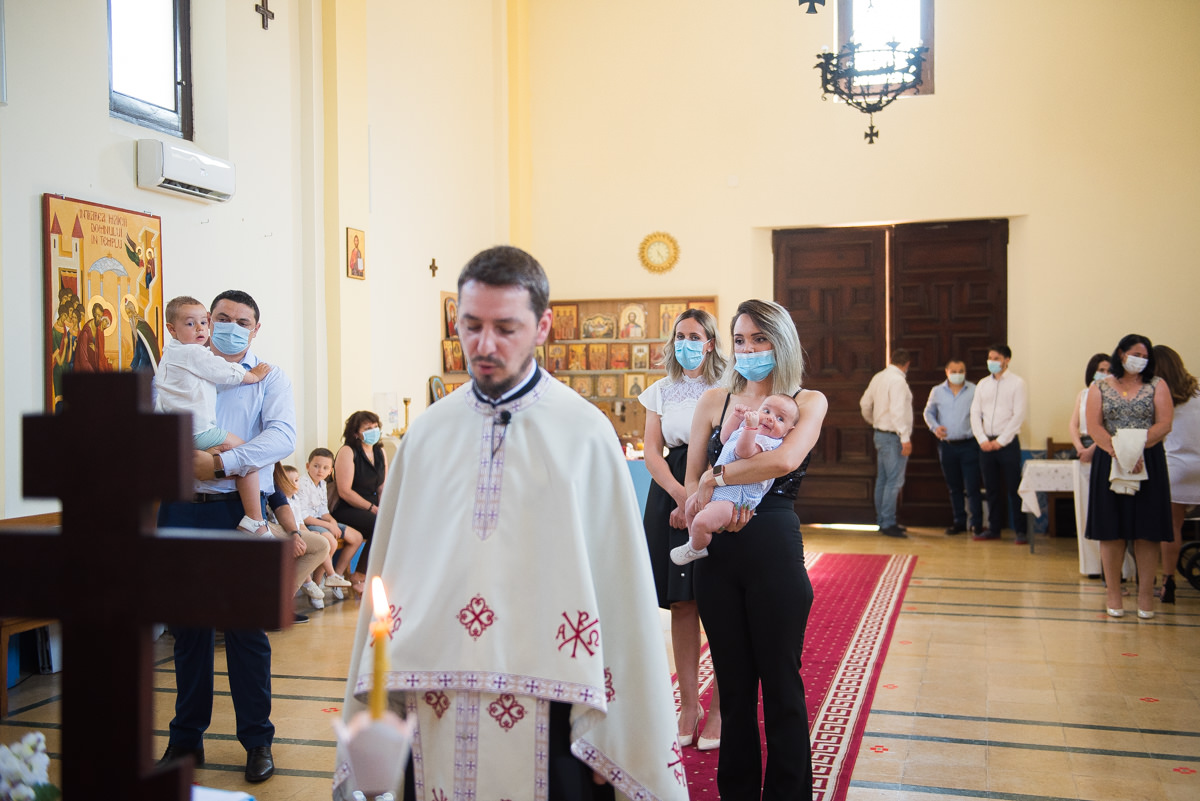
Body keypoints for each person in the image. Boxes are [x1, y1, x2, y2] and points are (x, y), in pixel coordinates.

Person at [334, 246, 685, 800]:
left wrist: (619, 731)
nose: (484, 345)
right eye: (471, 326)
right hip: (435, 698)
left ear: (542, 326)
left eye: (505, 328)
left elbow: (618, 589)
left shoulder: (584, 434)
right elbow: (391, 573)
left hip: (553, 703)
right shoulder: (426, 436)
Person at [685, 299, 827, 800]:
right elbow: (691, 481)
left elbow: (784, 460)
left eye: (759, 339)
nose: (749, 350)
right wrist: (705, 495)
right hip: (719, 552)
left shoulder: (807, 401)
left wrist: (718, 477)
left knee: (781, 683)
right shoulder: (715, 400)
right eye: (741, 340)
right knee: (732, 685)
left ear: (780, 342)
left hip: (772, 546)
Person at [156, 289, 296, 783]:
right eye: (222, 318)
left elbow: (282, 437)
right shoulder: (180, 363)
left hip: (236, 510)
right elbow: (152, 425)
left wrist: (221, 463)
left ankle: (257, 740)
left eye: (242, 321)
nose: (230, 327)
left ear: (255, 329)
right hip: (180, 507)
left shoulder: (268, 377)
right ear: (208, 321)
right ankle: (184, 741)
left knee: (245, 631)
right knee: (187, 630)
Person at [638, 308, 727, 750]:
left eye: (694, 336)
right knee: (682, 602)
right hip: (670, 495)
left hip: (719, 488)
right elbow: (652, 452)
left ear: (710, 342)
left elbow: (731, 447)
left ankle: (720, 710)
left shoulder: (729, 385)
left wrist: (700, 498)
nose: (686, 343)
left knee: (721, 604)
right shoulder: (660, 390)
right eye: (680, 336)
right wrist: (678, 496)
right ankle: (688, 706)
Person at [154, 295, 274, 535]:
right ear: (172, 329)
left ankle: (252, 517)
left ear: (256, 328)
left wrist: (214, 464)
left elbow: (283, 438)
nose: (200, 329)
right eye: (191, 324)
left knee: (235, 455)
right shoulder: (195, 354)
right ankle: (254, 520)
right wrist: (252, 376)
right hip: (182, 496)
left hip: (224, 499)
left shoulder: (168, 357)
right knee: (245, 455)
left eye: (202, 322)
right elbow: (224, 371)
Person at [1084, 334, 1174, 619]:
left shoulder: (1157, 385)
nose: (1141, 360)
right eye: (1136, 354)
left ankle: (1145, 594)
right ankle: (1113, 593)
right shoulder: (1099, 386)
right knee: (1111, 529)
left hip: (1148, 460)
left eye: (1145, 357)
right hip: (1109, 460)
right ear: (1121, 354)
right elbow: (1094, 426)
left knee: (1147, 530)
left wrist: (1134, 450)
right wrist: (1120, 452)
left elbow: (1164, 423)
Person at [672, 394, 800, 564]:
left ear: (788, 431)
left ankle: (695, 548)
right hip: (719, 490)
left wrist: (750, 428)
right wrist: (736, 417)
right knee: (690, 505)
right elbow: (725, 439)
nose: (770, 418)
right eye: (766, 411)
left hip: (735, 499)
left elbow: (743, 452)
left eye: (780, 419)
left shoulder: (768, 442)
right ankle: (695, 542)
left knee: (701, 521)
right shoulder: (747, 429)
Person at [1151, 344, 1199, 604]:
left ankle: (1168, 581)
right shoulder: (1198, 392)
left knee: (1172, 527)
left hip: (1176, 467)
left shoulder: (1161, 397)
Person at [970, 344, 1028, 543]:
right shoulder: (982, 384)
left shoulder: (1017, 383)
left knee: (1014, 488)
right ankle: (994, 529)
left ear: (1007, 360)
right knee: (991, 489)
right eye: (990, 358)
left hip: (1008, 444)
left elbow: (1018, 415)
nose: (992, 362)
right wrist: (982, 439)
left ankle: (1020, 530)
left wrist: (1001, 441)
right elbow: (975, 413)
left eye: (996, 358)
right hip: (986, 443)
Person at [924, 359, 984, 535]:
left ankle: (977, 523)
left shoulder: (974, 390)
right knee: (954, 487)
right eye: (954, 371)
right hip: (947, 446)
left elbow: (983, 414)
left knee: (972, 487)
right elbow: (928, 413)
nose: (958, 374)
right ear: (947, 372)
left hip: (969, 445)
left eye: (961, 371)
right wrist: (935, 427)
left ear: (965, 372)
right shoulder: (937, 391)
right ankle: (959, 522)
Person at [330, 410, 387, 595]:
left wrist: (384, 508)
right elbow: (345, 491)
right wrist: (372, 508)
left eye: (375, 427)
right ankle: (359, 575)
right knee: (379, 524)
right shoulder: (348, 451)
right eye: (368, 428)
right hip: (348, 507)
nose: (373, 431)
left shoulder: (380, 451)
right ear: (356, 433)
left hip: (372, 507)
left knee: (391, 524)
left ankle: (372, 574)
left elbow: (382, 486)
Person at [265, 463, 333, 612]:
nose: (294, 484)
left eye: (296, 480)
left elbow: (282, 506)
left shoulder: (292, 496)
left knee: (322, 544)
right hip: (262, 526)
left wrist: (296, 534)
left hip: (278, 527)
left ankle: (283, 601)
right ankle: (309, 583)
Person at [293, 447, 360, 598]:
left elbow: (323, 510)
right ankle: (318, 584)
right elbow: (304, 516)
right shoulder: (302, 483)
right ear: (308, 466)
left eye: (325, 468)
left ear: (330, 471)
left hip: (320, 521)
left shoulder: (322, 484)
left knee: (356, 537)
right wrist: (328, 526)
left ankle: (337, 576)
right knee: (331, 542)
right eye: (316, 466)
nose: (320, 471)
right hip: (308, 523)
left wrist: (332, 521)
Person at [860, 348, 913, 538]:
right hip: (893, 437)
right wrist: (905, 438)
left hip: (880, 434)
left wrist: (873, 421)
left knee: (883, 479)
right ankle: (888, 522)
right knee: (894, 480)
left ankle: (882, 520)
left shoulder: (879, 377)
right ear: (907, 364)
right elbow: (898, 411)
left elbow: (865, 404)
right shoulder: (898, 381)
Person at [1069, 353, 1111, 462]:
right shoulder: (1083, 394)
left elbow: (1110, 428)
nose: (1106, 374)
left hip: (1102, 446)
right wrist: (1080, 448)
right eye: (1101, 370)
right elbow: (1073, 425)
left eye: (1109, 371)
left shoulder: (1114, 397)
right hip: (1083, 443)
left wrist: (1091, 450)